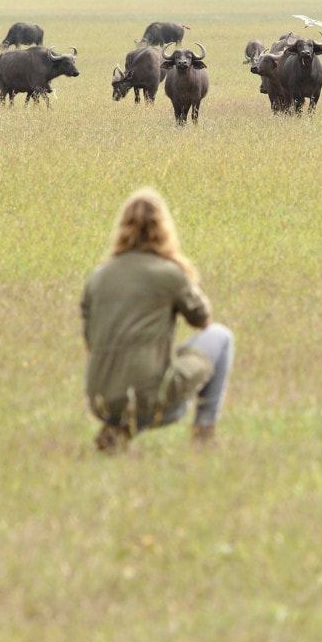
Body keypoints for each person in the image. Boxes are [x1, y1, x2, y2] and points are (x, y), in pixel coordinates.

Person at [81, 187, 234, 451]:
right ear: (164, 228)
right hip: (149, 398)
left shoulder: (98, 277)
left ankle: (118, 431)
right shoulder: (169, 274)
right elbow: (203, 320)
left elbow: (90, 340)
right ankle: (204, 436)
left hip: (100, 398)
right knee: (222, 337)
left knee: (144, 378)